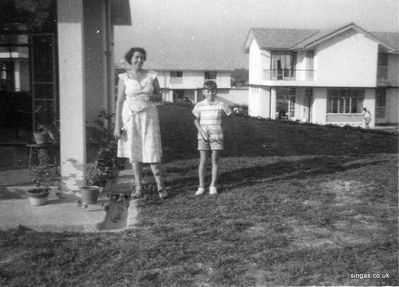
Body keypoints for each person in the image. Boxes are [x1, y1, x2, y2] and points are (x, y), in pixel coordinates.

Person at [113, 47, 168, 199]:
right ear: (130, 58)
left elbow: (160, 97)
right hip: (130, 117)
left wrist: (150, 97)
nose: (139, 60)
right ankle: (139, 187)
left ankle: (160, 186)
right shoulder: (124, 77)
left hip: (149, 117)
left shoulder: (151, 75)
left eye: (142, 58)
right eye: (136, 57)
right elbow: (119, 102)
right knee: (134, 151)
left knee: (152, 149)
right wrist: (117, 125)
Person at [192, 80, 232, 195]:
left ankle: (213, 185)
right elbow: (195, 120)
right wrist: (200, 130)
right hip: (203, 136)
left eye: (213, 91)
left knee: (215, 160)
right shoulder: (199, 105)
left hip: (216, 135)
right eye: (208, 91)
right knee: (203, 160)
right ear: (203, 92)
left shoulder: (221, 104)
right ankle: (201, 187)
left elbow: (229, 117)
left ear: (216, 92)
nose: (210, 94)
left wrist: (223, 129)